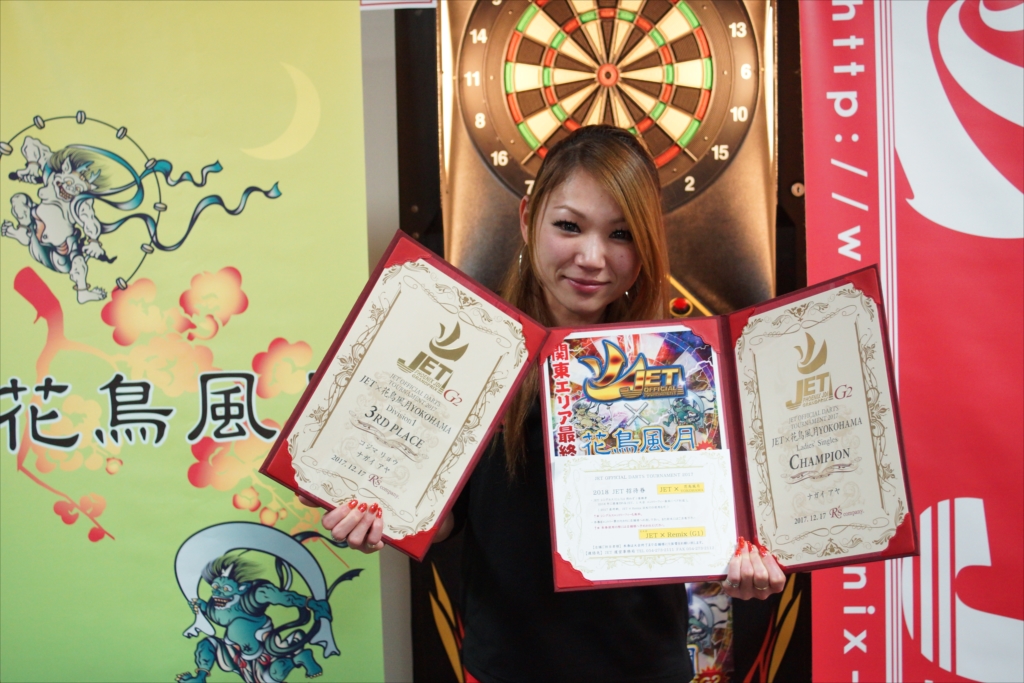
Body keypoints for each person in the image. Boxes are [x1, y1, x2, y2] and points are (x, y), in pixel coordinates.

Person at [307, 125, 786, 682]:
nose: (592, 257)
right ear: (528, 218)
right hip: (507, 665)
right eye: (569, 226)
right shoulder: (475, 348)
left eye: (621, 234)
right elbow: (444, 519)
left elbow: (711, 529)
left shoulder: (682, 367)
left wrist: (747, 560)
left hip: (644, 666)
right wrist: (380, 512)